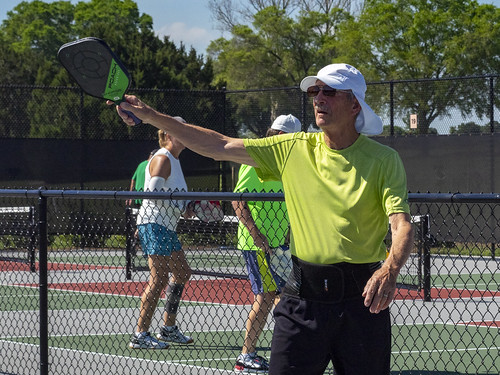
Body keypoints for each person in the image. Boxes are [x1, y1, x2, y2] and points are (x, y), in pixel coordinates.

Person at [112, 63, 414, 374]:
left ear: (355, 104)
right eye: (315, 91)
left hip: (363, 301)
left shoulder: (383, 160)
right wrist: (151, 116)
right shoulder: (293, 148)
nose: (318, 98)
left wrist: (390, 269)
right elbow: (219, 145)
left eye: (329, 91)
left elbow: (401, 224)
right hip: (302, 300)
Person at [232, 114, 301, 373]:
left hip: (280, 246)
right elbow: (238, 200)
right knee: (266, 296)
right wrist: (257, 235)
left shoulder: (287, 163)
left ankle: (289, 350)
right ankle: (246, 355)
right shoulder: (255, 160)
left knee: (286, 297)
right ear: (279, 136)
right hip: (256, 244)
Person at [128, 117, 195, 349]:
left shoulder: (175, 160)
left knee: (182, 272)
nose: (184, 133)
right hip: (154, 224)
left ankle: (168, 328)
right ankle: (140, 334)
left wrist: (184, 209)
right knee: (159, 279)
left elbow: (170, 197)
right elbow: (152, 193)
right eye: (179, 130)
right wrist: (178, 205)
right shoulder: (162, 158)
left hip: (166, 226)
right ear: (167, 135)